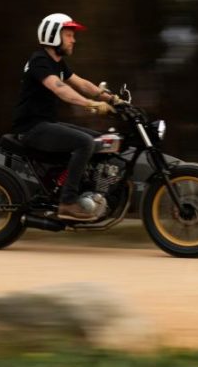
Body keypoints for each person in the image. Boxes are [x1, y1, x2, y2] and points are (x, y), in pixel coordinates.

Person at [11, 13, 120, 221]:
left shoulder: (58, 63)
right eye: (69, 34)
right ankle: (68, 203)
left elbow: (82, 84)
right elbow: (60, 88)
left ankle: (84, 190)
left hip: (46, 124)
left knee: (100, 141)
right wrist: (91, 105)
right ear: (53, 36)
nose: (73, 40)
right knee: (85, 143)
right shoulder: (39, 61)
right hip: (31, 128)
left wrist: (114, 100)